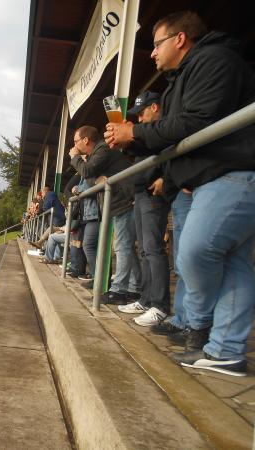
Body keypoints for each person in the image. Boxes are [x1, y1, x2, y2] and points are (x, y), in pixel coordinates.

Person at [104, 11, 255, 376]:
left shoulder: (215, 59)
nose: (152, 54)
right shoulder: (185, 75)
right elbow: (173, 139)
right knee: (231, 262)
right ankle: (225, 351)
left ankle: (198, 326)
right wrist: (129, 141)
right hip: (215, 178)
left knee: (193, 253)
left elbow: (194, 123)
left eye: (156, 44)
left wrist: (135, 135)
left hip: (235, 174)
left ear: (180, 39)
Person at [115, 92, 172, 327]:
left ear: (155, 107)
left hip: (152, 193)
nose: (138, 119)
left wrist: (165, 178)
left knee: (153, 248)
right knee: (144, 250)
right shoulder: (147, 134)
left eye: (142, 112)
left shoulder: (165, 128)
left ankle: (159, 305)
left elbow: (175, 151)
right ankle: (146, 299)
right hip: (140, 194)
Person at [70, 125, 140, 299]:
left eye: (75, 141)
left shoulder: (102, 149)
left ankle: (119, 291)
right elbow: (92, 178)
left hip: (123, 200)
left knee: (123, 246)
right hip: (118, 202)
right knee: (126, 246)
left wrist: (75, 157)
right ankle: (134, 286)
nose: (74, 145)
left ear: (85, 140)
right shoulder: (97, 153)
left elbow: (87, 172)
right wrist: (95, 177)